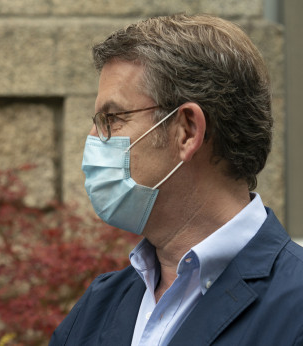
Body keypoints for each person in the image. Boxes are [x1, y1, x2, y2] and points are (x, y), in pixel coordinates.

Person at [50, 14, 303, 345]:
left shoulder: (294, 305)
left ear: (187, 131)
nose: (94, 137)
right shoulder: (98, 306)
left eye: (112, 118)